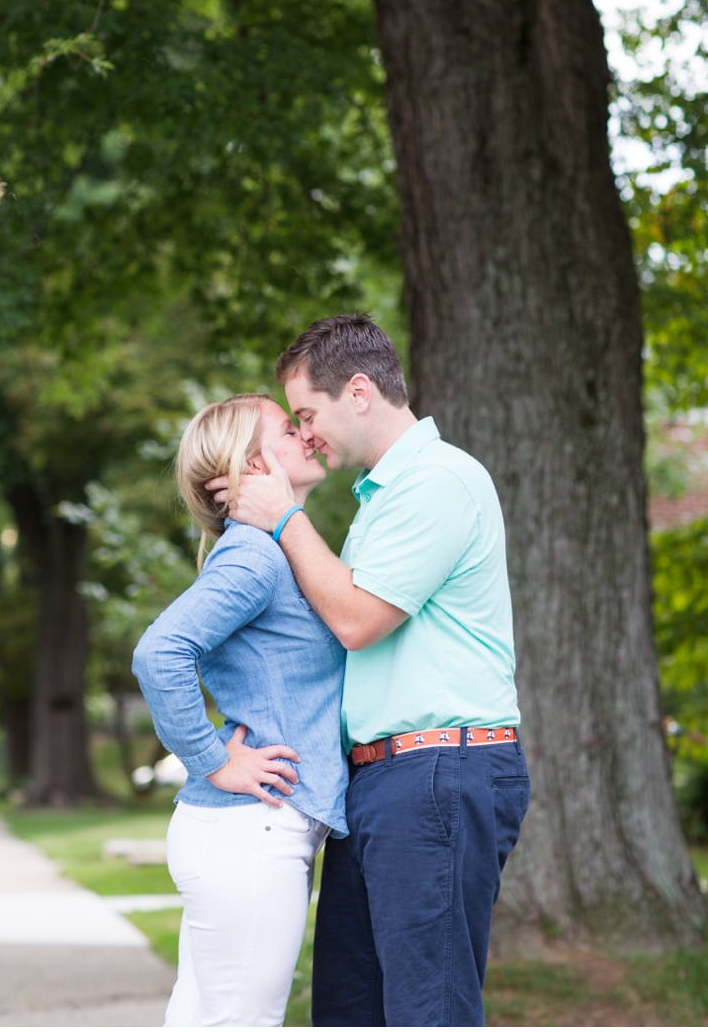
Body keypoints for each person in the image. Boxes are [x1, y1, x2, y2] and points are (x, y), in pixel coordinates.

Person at [213, 314, 529, 1028]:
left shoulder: (440, 480)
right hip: (380, 781)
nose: (304, 433)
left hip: (438, 774)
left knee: (427, 1012)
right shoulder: (376, 502)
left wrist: (283, 517)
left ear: (359, 391)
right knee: (350, 1011)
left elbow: (356, 620)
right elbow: (316, 642)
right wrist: (230, 740)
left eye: (307, 413)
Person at [132, 393, 349, 1028]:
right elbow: (159, 653)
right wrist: (212, 759)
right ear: (253, 464)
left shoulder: (273, 549)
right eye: (289, 428)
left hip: (247, 833)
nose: (306, 434)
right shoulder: (255, 555)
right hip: (250, 830)